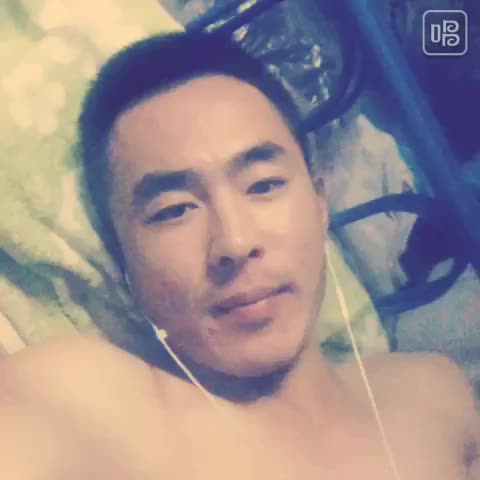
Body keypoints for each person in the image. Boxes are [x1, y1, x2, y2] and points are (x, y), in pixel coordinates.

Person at [1, 31, 479, 480]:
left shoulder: (433, 392)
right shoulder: (80, 406)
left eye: (264, 185)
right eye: (174, 210)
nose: (234, 242)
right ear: (125, 265)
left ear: (319, 204)